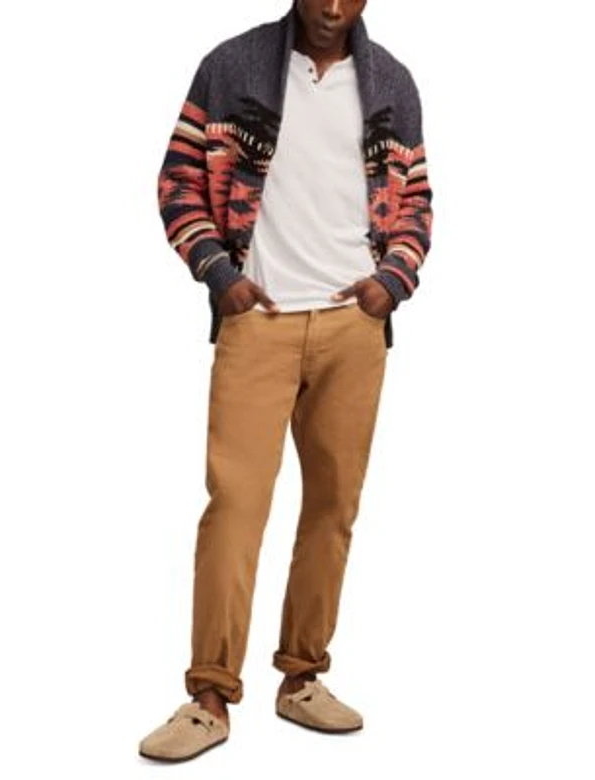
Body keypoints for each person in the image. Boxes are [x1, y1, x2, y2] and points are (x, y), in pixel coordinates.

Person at [139, 0, 433, 762]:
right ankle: (208, 697)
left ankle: (302, 677)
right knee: (236, 505)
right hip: (258, 320)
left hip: (353, 328)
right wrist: (220, 275)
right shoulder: (231, 67)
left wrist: (390, 285)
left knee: (333, 508)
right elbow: (176, 180)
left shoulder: (393, 83)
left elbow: (416, 202)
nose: (332, 8)